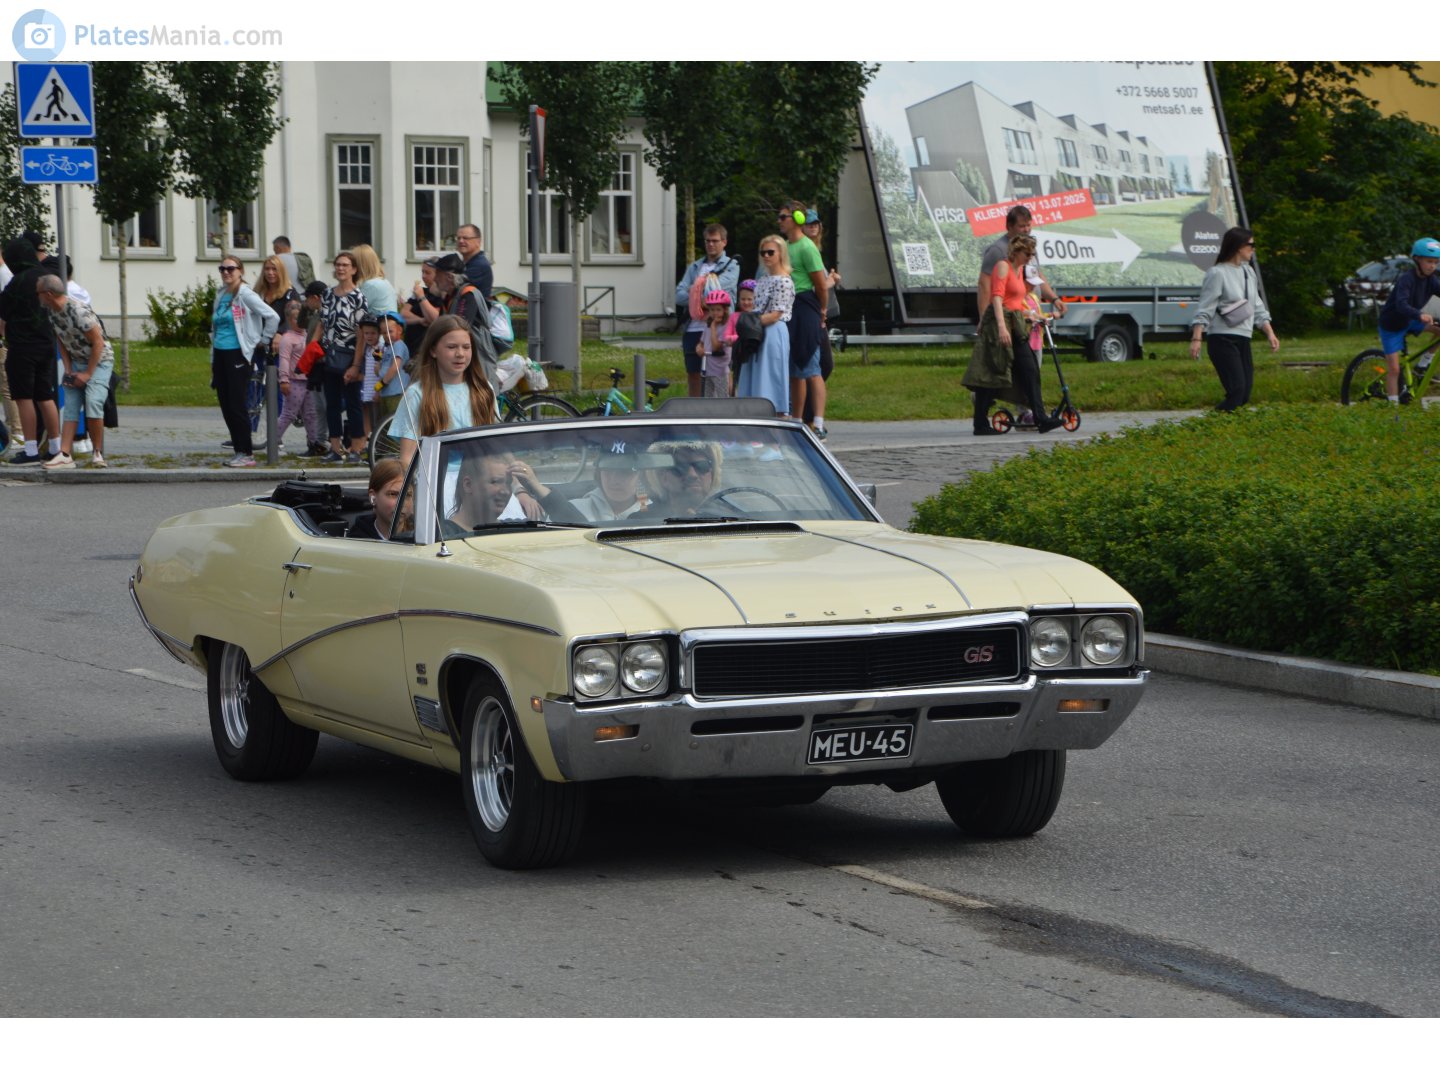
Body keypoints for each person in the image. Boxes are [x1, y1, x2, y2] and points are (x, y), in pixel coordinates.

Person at [966, 235, 1062, 435]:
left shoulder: (1019, 271)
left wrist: (1033, 315)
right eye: (1027, 253)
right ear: (1016, 252)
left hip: (1016, 323)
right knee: (994, 372)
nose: (1030, 257)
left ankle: (1040, 417)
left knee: (1030, 369)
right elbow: (998, 298)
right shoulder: (1003, 266)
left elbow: (1016, 302)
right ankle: (980, 423)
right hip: (1001, 324)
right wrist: (1001, 327)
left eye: (1032, 254)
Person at [1189, 227, 1280, 412]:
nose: (1253, 249)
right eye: (1251, 245)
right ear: (1239, 246)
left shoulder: (1249, 273)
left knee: (1244, 394)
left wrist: (1269, 333)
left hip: (1243, 338)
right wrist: (1197, 338)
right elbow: (1205, 307)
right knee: (1237, 390)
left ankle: (1222, 426)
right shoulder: (1217, 273)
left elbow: (1257, 305)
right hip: (1222, 338)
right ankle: (1212, 426)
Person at [390, 314, 497, 467]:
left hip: (479, 482)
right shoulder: (417, 394)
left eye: (466, 347)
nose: (460, 354)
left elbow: (496, 447)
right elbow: (406, 459)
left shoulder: (484, 390)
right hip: (436, 486)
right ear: (433, 350)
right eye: (452, 347)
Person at [35, 274, 113, 469]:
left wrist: (87, 374)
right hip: (77, 361)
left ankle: (97, 453)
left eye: (39, 293)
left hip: (99, 361)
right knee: (70, 406)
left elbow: (98, 342)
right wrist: (68, 368)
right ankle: (65, 454)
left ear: (49, 294)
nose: (37, 297)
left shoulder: (78, 311)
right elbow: (61, 339)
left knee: (93, 402)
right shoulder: (53, 312)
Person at [211, 256, 280, 467]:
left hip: (238, 353)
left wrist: (263, 340)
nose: (226, 272)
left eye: (230, 269)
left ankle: (246, 452)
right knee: (225, 403)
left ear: (240, 271)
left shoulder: (246, 294)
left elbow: (272, 317)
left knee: (236, 403)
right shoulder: (221, 294)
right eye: (222, 268)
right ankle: (238, 449)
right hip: (220, 352)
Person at [0, 237, 60, 465]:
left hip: (22, 348)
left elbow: (2, 317)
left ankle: (31, 449)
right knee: (45, 396)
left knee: (24, 398)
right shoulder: (45, 278)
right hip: (46, 345)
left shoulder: (16, 284)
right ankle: (55, 447)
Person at [777, 201, 829, 439]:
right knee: (795, 367)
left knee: (811, 364)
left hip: (807, 304)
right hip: (790, 305)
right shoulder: (785, 247)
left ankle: (818, 422)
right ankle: (797, 420)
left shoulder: (807, 248)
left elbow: (820, 284)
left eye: (783, 217)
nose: (780, 221)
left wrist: (822, 309)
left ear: (797, 218)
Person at [315, 250, 370, 463]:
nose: (340, 268)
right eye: (338, 264)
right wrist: (313, 348)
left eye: (345, 265)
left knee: (354, 403)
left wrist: (356, 365)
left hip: (350, 355)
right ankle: (335, 448)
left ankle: (356, 448)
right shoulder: (328, 294)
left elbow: (361, 333)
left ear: (353, 270)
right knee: (332, 403)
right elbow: (322, 323)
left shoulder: (358, 298)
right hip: (330, 355)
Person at [675, 224, 740, 397]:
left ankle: (727, 411)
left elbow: (717, 292)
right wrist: (700, 296)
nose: (711, 244)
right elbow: (679, 295)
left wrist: (695, 292)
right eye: (707, 241)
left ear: (724, 242)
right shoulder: (695, 267)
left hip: (719, 328)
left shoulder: (732, 266)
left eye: (715, 241)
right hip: (693, 328)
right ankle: (696, 413)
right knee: (693, 373)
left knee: (722, 373)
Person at [1374, 237, 1440, 402]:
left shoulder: (1431, 280)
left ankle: (1422, 365)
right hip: (1392, 325)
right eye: (1428, 261)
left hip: (1410, 320)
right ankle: (1393, 410)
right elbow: (1401, 305)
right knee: (1394, 370)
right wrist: (1420, 315)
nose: (1432, 266)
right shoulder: (1407, 279)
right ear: (1417, 259)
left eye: (1435, 262)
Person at [977, 204, 1067, 321]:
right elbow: (984, 285)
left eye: (1029, 225)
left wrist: (1055, 299)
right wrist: (984, 320)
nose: (1027, 229)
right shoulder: (998, 250)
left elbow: (1037, 276)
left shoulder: (1030, 247)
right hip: (1012, 316)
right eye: (1022, 226)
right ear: (1009, 226)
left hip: (1032, 314)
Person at [736, 241, 793, 416]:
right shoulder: (762, 279)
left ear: (780, 254)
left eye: (770, 252)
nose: (766, 256)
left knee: (770, 376)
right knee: (754, 375)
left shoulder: (784, 281)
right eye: (763, 252)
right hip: (758, 329)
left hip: (773, 330)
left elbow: (775, 314)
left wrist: (749, 323)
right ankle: (754, 414)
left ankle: (774, 413)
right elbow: (756, 307)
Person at [276, 299, 325, 457]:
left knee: (310, 414)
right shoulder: (287, 338)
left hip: (308, 380)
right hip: (294, 380)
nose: (299, 321)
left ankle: (313, 443)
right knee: (289, 414)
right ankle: (273, 440)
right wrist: (284, 379)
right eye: (295, 318)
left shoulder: (307, 335)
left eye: (301, 317)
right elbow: (283, 359)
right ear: (289, 321)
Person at [643, 439, 721, 518]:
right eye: (680, 468)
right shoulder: (643, 521)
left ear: (712, 474)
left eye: (701, 466)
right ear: (662, 476)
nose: (692, 475)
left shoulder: (727, 515)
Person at [350, 457, 407, 540]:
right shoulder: (356, 541)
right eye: (393, 494)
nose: (402, 503)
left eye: (407, 495)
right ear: (373, 497)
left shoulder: (427, 534)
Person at [695, 289, 732, 398]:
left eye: (718, 309)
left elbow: (716, 347)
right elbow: (701, 342)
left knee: (722, 397)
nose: (714, 313)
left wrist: (713, 327)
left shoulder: (725, 327)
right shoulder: (708, 325)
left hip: (720, 369)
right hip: (707, 368)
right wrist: (699, 348)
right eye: (712, 310)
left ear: (725, 310)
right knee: (708, 397)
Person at [375, 311, 410, 420]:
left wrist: (382, 383)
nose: (387, 335)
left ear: (399, 330)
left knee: (394, 424)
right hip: (386, 393)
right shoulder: (388, 348)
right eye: (384, 333)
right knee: (385, 425)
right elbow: (379, 372)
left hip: (396, 392)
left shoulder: (399, 345)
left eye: (390, 331)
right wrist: (378, 362)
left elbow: (395, 368)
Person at [403, 256, 441, 356]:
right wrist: (420, 320)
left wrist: (421, 297)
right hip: (411, 345)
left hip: (427, 348)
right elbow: (403, 314)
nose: (423, 276)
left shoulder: (440, 295)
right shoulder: (421, 291)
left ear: (438, 275)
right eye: (422, 272)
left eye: (427, 273)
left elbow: (435, 319)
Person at [351, 243, 398, 321]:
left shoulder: (370, 285)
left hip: (377, 330)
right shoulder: (383, 281)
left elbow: (353, 310)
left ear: (360, 265)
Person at [456, 224, 493, 299]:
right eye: (458, 238)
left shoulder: (479, 265)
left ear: (478, 242)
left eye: (465, 238)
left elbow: (453, 288)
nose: (461, 241)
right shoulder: (465, 263)